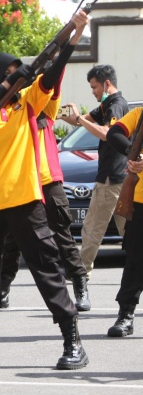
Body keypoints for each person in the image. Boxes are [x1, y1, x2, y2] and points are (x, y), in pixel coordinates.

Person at [0, 10, 89, 370]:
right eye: (7, 72)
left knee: (47, 271)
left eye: (17, 72)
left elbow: (51, 76)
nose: (16, 77)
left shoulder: (28, 102)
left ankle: (73, 342)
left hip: (26, 200)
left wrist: (72, 37)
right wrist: (12, 80)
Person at [0, 64, 90, 312]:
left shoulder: (47, 108)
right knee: (11, 239)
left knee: (62, 236)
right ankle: (2, 288)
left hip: (48, 181)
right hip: (21, 183)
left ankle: (80, 285)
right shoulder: (12, 111)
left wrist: (60, 55)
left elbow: (53, 82)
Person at [60, 65, 128, 279]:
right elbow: (81, 121)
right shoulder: (107, 106)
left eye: (94, 87)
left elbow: (107, 133)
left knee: (91, 229)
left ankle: (81, 272)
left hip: (111, 179)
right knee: (129, 231)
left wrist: (79, 119)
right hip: (119, 178)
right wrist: (61, 114)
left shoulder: (116, 106)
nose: (92, 92)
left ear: (107, 84)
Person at [105, 105, 143, 337]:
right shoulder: (139, 114)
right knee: (135, 260)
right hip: (139, 201)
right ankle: (125, 315)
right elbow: (114, 133)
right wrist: (133, 152)